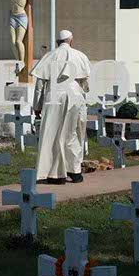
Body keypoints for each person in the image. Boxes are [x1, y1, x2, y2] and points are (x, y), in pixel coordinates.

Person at [31, 30, 91, 185]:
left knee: (52, 134)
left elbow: (39, 85)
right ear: (71, 40)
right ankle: (74, 171)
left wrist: (37, 105)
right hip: (75, 96)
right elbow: (84, 82)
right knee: (72, 133)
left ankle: (55, 175)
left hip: (54, 96)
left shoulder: (49, 56)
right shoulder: (80, 56)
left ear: (57, 42)